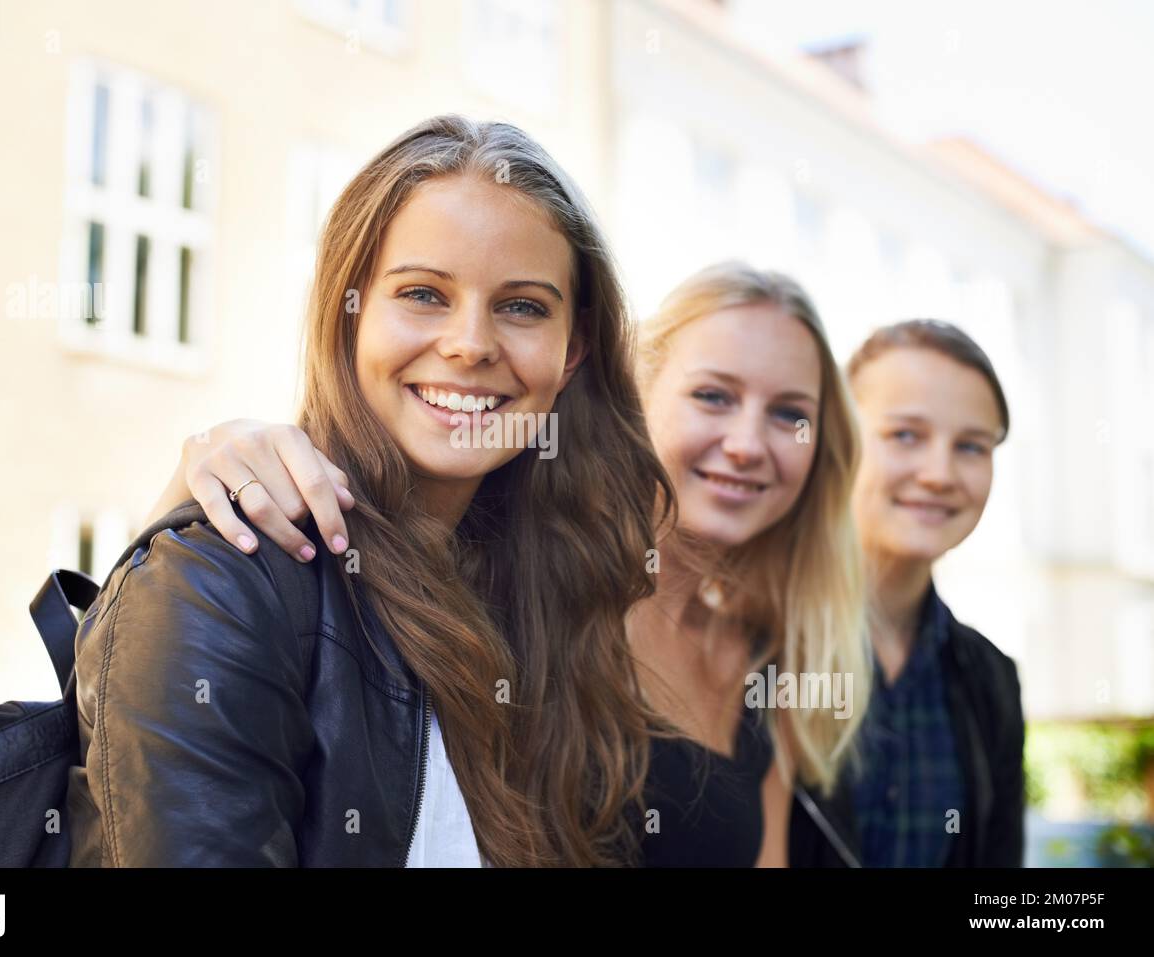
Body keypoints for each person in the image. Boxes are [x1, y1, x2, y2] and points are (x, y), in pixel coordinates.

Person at [67, 114, 673, 867]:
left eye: (521, 306)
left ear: (573, 347)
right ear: (349, 312)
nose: (471, 343)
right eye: (423, 294)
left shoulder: (551, 604)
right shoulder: (224, 579)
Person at [155, 262, 873, 866]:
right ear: (637, 394)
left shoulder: (769, 657)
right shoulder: (517, 579)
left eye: (789, 414)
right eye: (713, 395)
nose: (749, 442)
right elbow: (161, 669)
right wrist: (213, 456)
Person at [788, 319, 1026, 867]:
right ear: (837, 440)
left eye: (971, 446)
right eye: (905, 435)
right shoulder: (749, 642)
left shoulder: (991, 679)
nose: (940, 474)